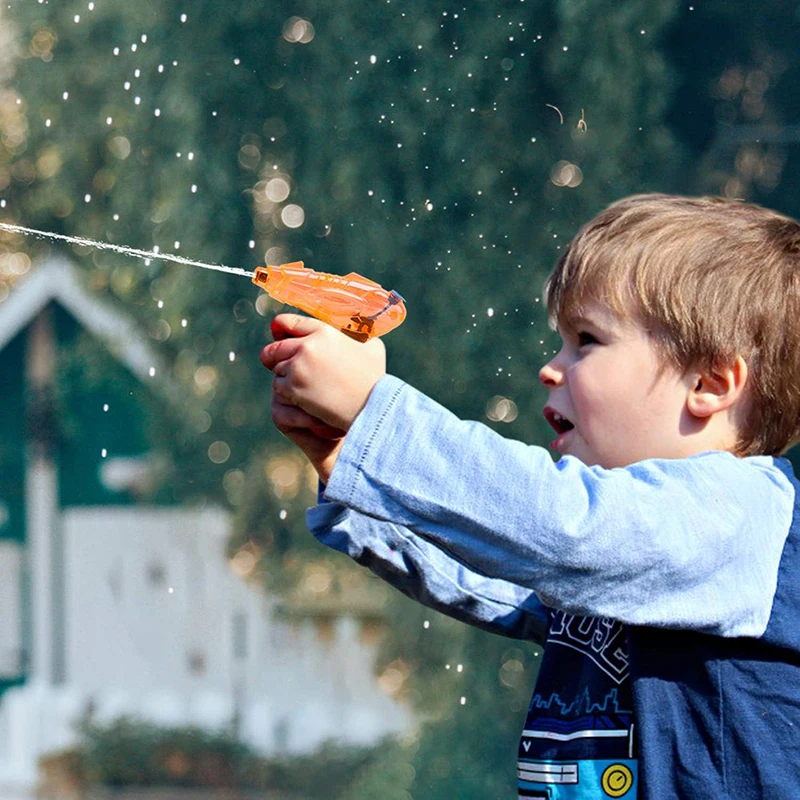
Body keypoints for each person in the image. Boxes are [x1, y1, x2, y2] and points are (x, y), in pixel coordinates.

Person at [259, 194, 800, 799]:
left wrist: (378, 417)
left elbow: (559, 527)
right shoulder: (627, 547)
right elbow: (496, 578)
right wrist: (350, 466)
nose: (550, 368)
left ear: (709, 383)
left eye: (587, 340)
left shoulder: (736, 513)